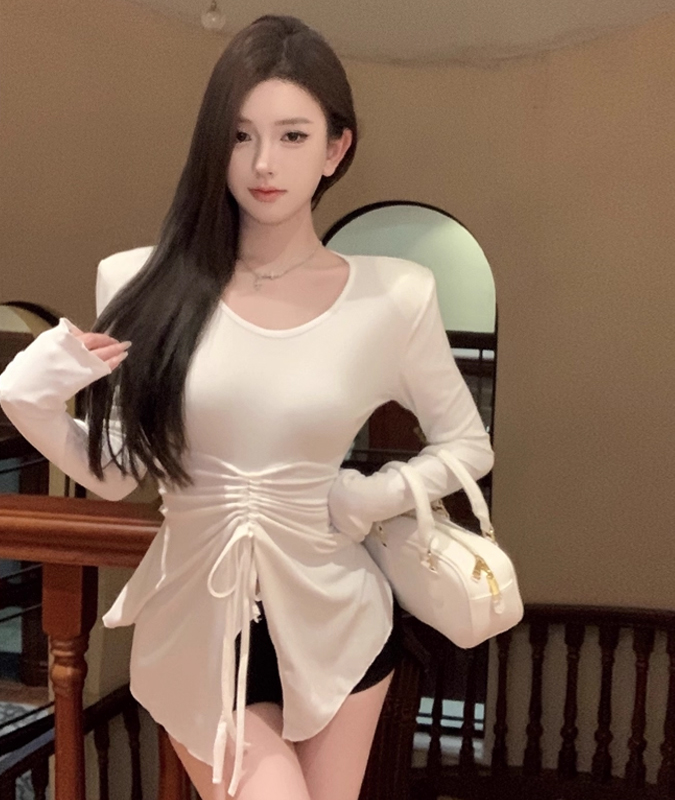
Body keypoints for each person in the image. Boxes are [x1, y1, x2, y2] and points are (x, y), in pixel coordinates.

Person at [0, 14, 494, 800]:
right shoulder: (141, 281)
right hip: (199, 626)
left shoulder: (394, 296)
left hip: (340, 621)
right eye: (240, 136)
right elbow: (118, 472)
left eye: (293, 136)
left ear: (336, 148)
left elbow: (467, 444)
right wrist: (26, 401)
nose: (264, 162)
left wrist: (373, 495)